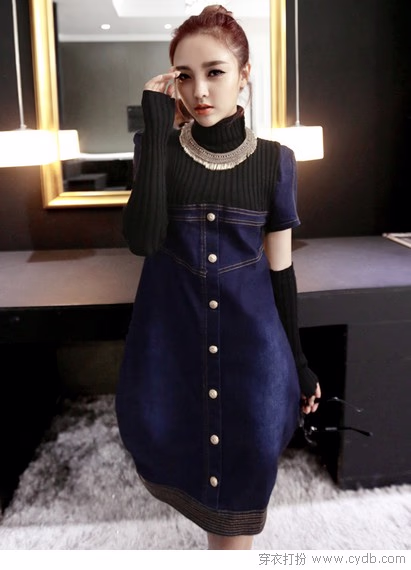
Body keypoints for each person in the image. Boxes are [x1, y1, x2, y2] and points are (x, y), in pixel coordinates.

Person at [115, 5, 321, 551]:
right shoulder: (156, 151)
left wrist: (299, 362)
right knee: (188, 472)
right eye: (184, 76)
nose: (199, 90)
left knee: (238, 513)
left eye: (215, 72)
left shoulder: (277, 163)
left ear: (244, 75)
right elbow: (143, 239)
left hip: (254, 357)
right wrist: (155, 126)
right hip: (174, 353)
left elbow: (281, 273)